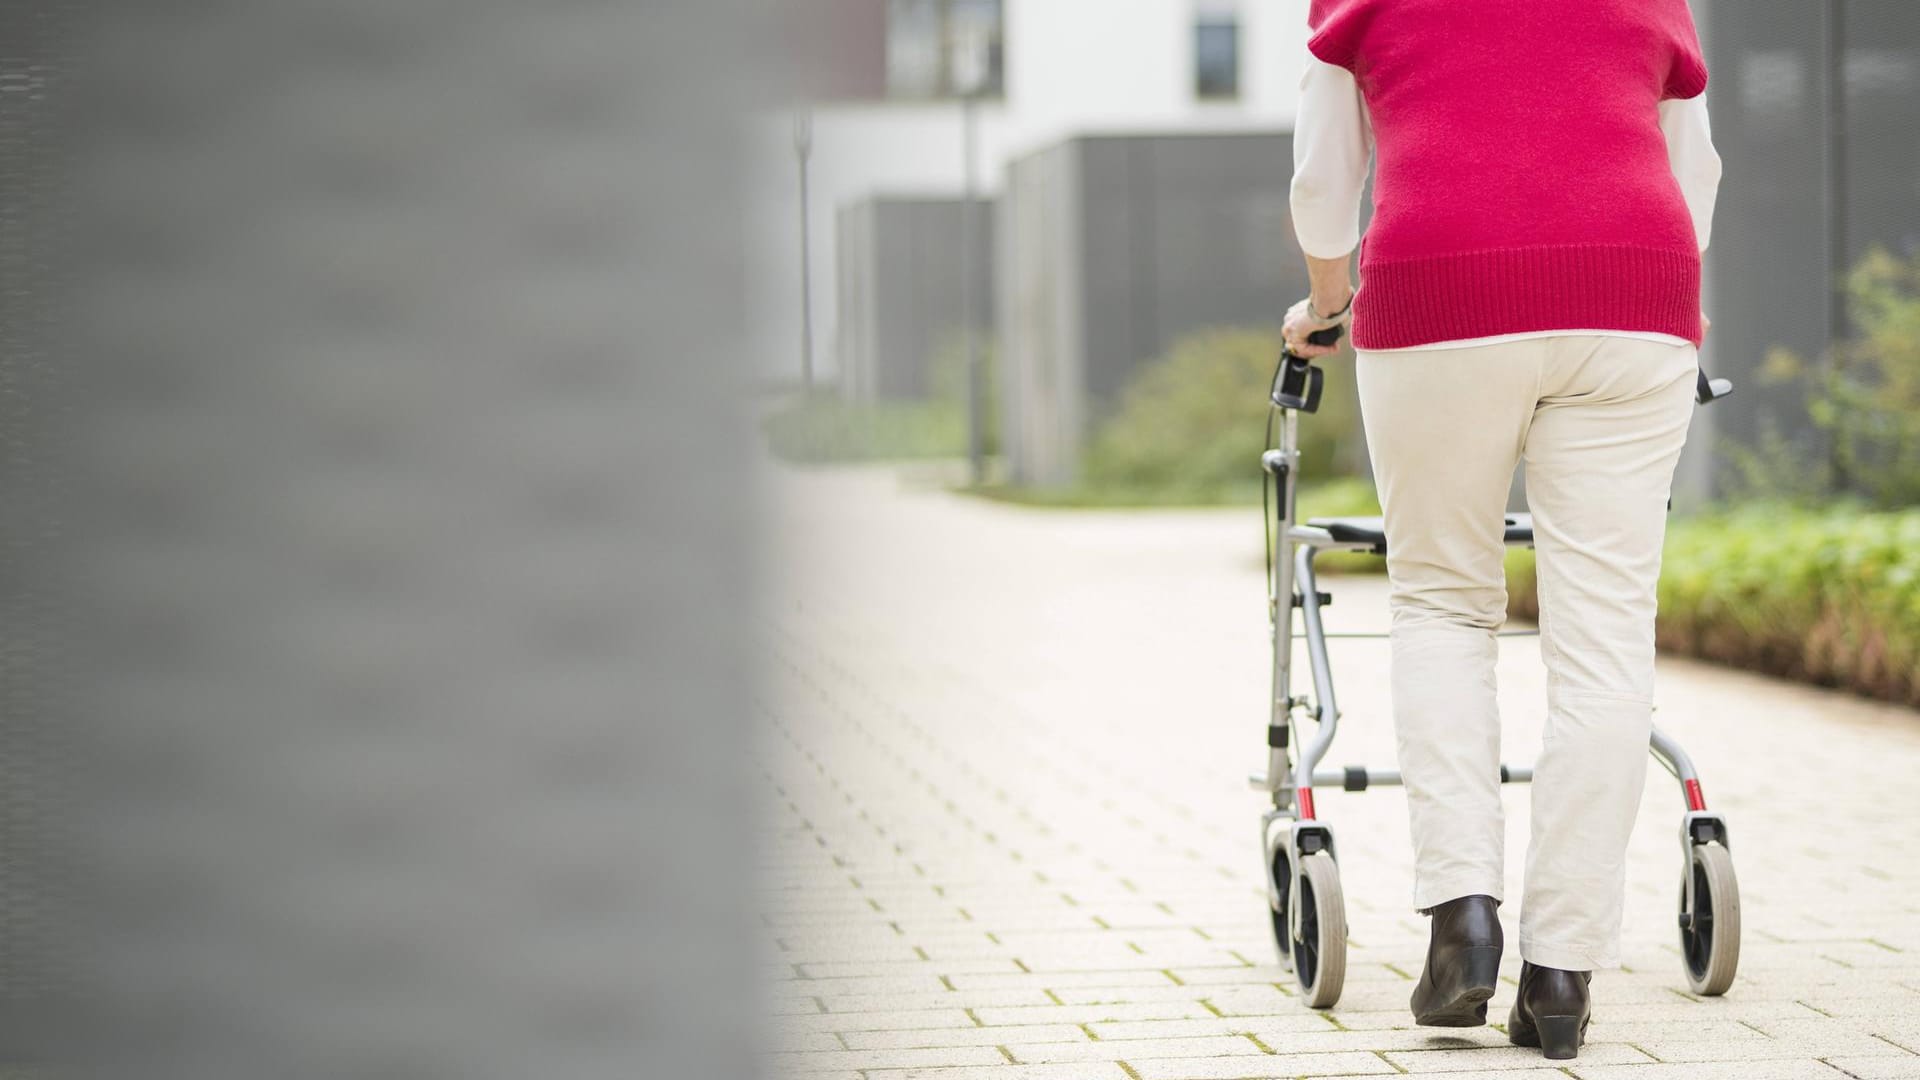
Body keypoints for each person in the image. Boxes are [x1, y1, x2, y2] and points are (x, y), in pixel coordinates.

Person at [1280, 0, 1723, 1062]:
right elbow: (1693, 169)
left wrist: (1326, 301)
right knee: (1606, 637)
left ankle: (1462, 925)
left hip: (1441, 289)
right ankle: (1562, 974)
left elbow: (1321, 176)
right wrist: (1636, 272)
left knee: (1440, 600)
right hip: (1637, 293)